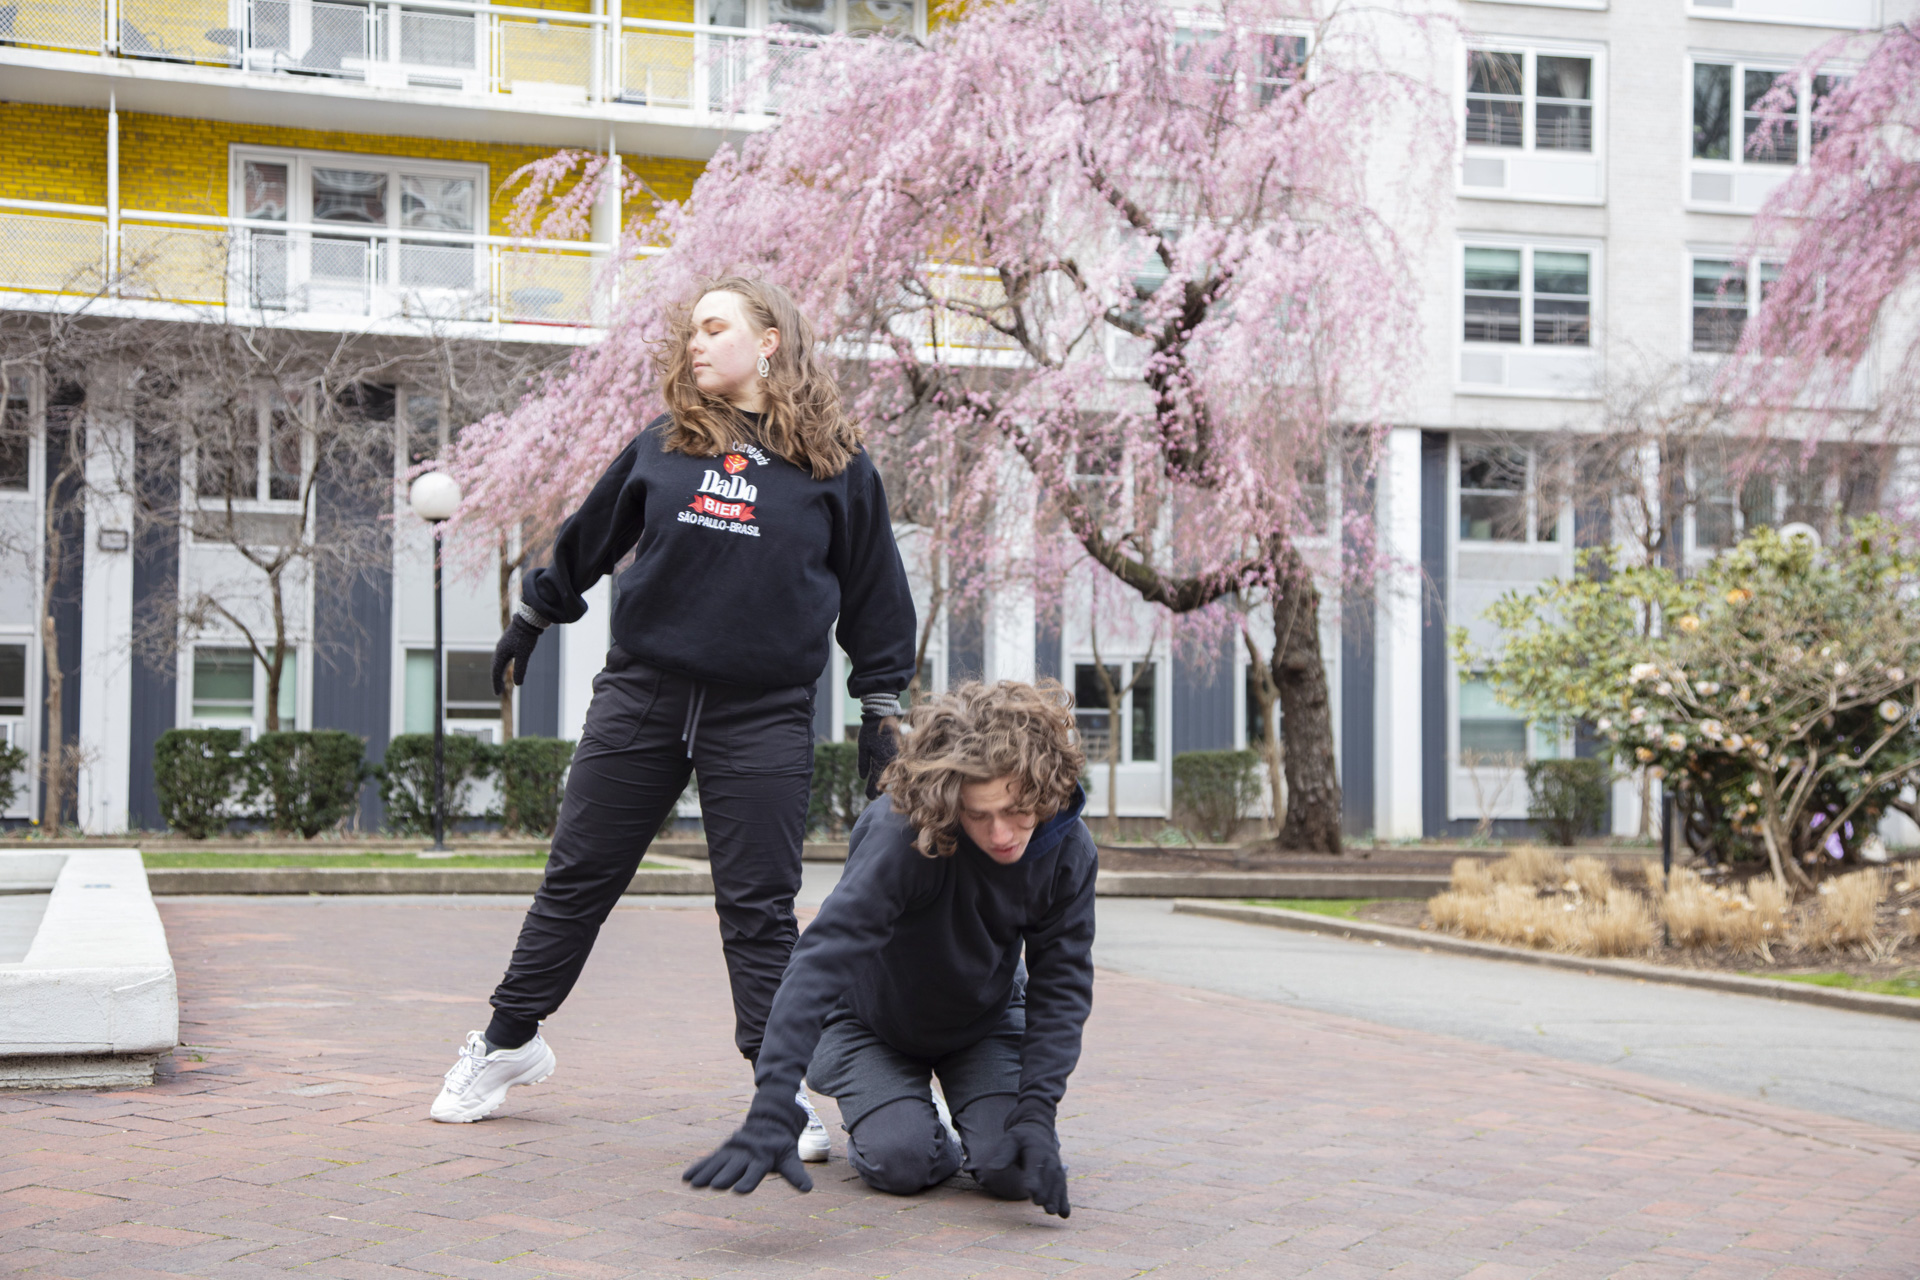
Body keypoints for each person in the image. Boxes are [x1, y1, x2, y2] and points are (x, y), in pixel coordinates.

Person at [430, 277, 917, 1164]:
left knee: (760, 911)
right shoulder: (664, 446)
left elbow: (878, 597)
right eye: (690, 331)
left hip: (764, 712)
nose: (695, 343)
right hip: (643, 694)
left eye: (715, 327)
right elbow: (587, 536)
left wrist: (880, 706)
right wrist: (534, 616)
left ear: (770, 341)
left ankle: (779, 1091)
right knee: (578, 881)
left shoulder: (839, 469)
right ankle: (507, 1043)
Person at [682, 680, 1094, 1219]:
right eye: (978, 814)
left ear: (1045, 789)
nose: (1000, 834)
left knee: (1014, 1168)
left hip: (981, 1021)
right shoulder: (902, 832)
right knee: (902, 1163)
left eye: (1017, 810)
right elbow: (821, 960)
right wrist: (772, 1101)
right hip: (868, 1022)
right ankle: (923, 1124)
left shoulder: (1066, 849)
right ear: (950, 800)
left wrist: (1037, 1112)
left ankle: (980, 1123)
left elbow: (1061, 985)